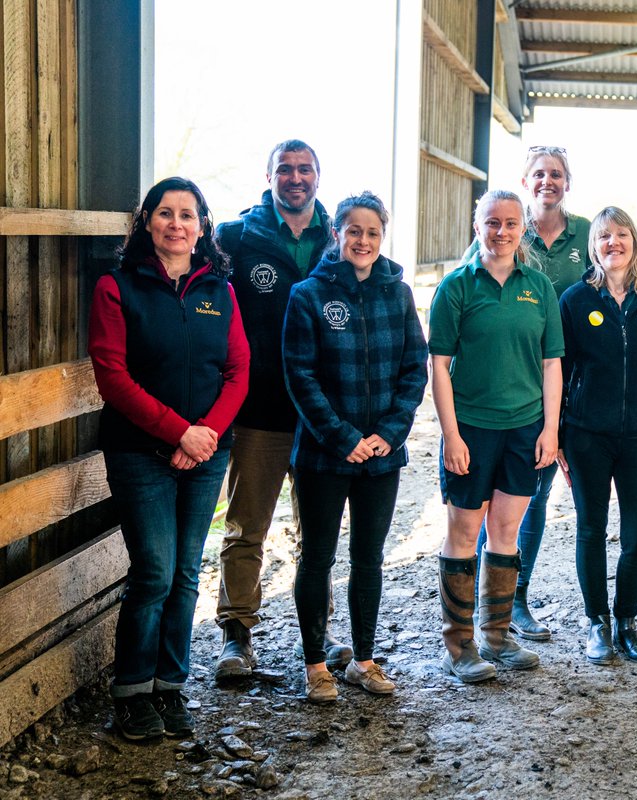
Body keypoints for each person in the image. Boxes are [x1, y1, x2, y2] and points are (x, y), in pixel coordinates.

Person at [88, 177, 250, 739]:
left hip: (207, 451)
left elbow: (238, 371)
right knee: (153, 570)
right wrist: (179, 433)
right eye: (165, 213)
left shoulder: (220, 291)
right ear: (147, 222)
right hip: (139, 452)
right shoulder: (117, 285)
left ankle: (169, 687)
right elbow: (113, 376)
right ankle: (132, 692)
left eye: (188, 214)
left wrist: (204, 435)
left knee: (185, 573)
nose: (176, 223)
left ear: (203, 226)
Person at [281, 192, 428, 702]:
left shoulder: (398, 293)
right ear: (337, 234)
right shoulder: (309, 295)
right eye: (354, 231)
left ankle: (363, 660)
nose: (363, 240)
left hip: (382, 455)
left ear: (381, 236)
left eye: (372, 232)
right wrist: (344, 438)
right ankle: (316, 663)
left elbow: (415, 369)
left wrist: (388, 434)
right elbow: (300, 377)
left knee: (369, 558)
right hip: (325, 454)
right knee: (317, 557)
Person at [214, 140, 351, 680]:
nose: (296, 178)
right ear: (268, 175)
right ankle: (236, 634)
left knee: (315, 531)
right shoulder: (237, 237)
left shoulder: (339, 236)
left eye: (305, 169)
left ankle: (317, 633)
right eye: (285, 169)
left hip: (320, 413)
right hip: (260, 410)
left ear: (319, 175)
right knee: (247, 526)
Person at [430, 189, 564, 682]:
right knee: (464, 533)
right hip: (471, 428)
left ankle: (497, 636)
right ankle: (460, 645)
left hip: (524, 429)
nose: (501, 231)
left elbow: (553, 363)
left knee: (506, 532)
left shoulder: (539, 288)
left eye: (510, 223)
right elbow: (438, 365)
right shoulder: (456, 287)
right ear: (477, 226)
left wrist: (550, 429)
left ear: (521, 229)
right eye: (492, 222)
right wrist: (451, 434)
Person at [462, 145, 588, 641]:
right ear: (525, 178)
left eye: (556, 173)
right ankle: (475, 597)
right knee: (484, 497)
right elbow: (467, 293)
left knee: (534, 496)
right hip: (503, 387)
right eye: (538, 173)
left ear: (567, 181)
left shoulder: (584, 237)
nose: (547, 181)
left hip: (561, 385)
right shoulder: (505, 225)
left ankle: (516, 597)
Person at [559, 207, 637, 664]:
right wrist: (557, 436)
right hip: (585, 436)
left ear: (634, 240)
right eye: (603, 237)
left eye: (620, 235)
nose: (612, 243)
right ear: (592, 246)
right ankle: (597, 622)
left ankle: (626, 621)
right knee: (591, 529)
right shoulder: (575, 300)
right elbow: (561, 371)